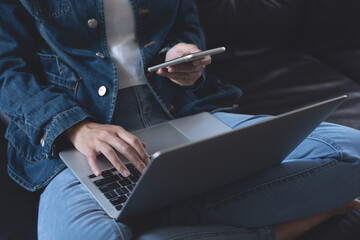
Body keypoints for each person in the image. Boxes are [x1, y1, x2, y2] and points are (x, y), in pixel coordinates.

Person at [1, 0, 360, 239]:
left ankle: (154, 216)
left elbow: (184, 25)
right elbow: (6, 68)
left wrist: (184, 54)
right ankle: (275, 229)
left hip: (180, 113)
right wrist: (77, 127)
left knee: (350, 149)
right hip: (82, 141)